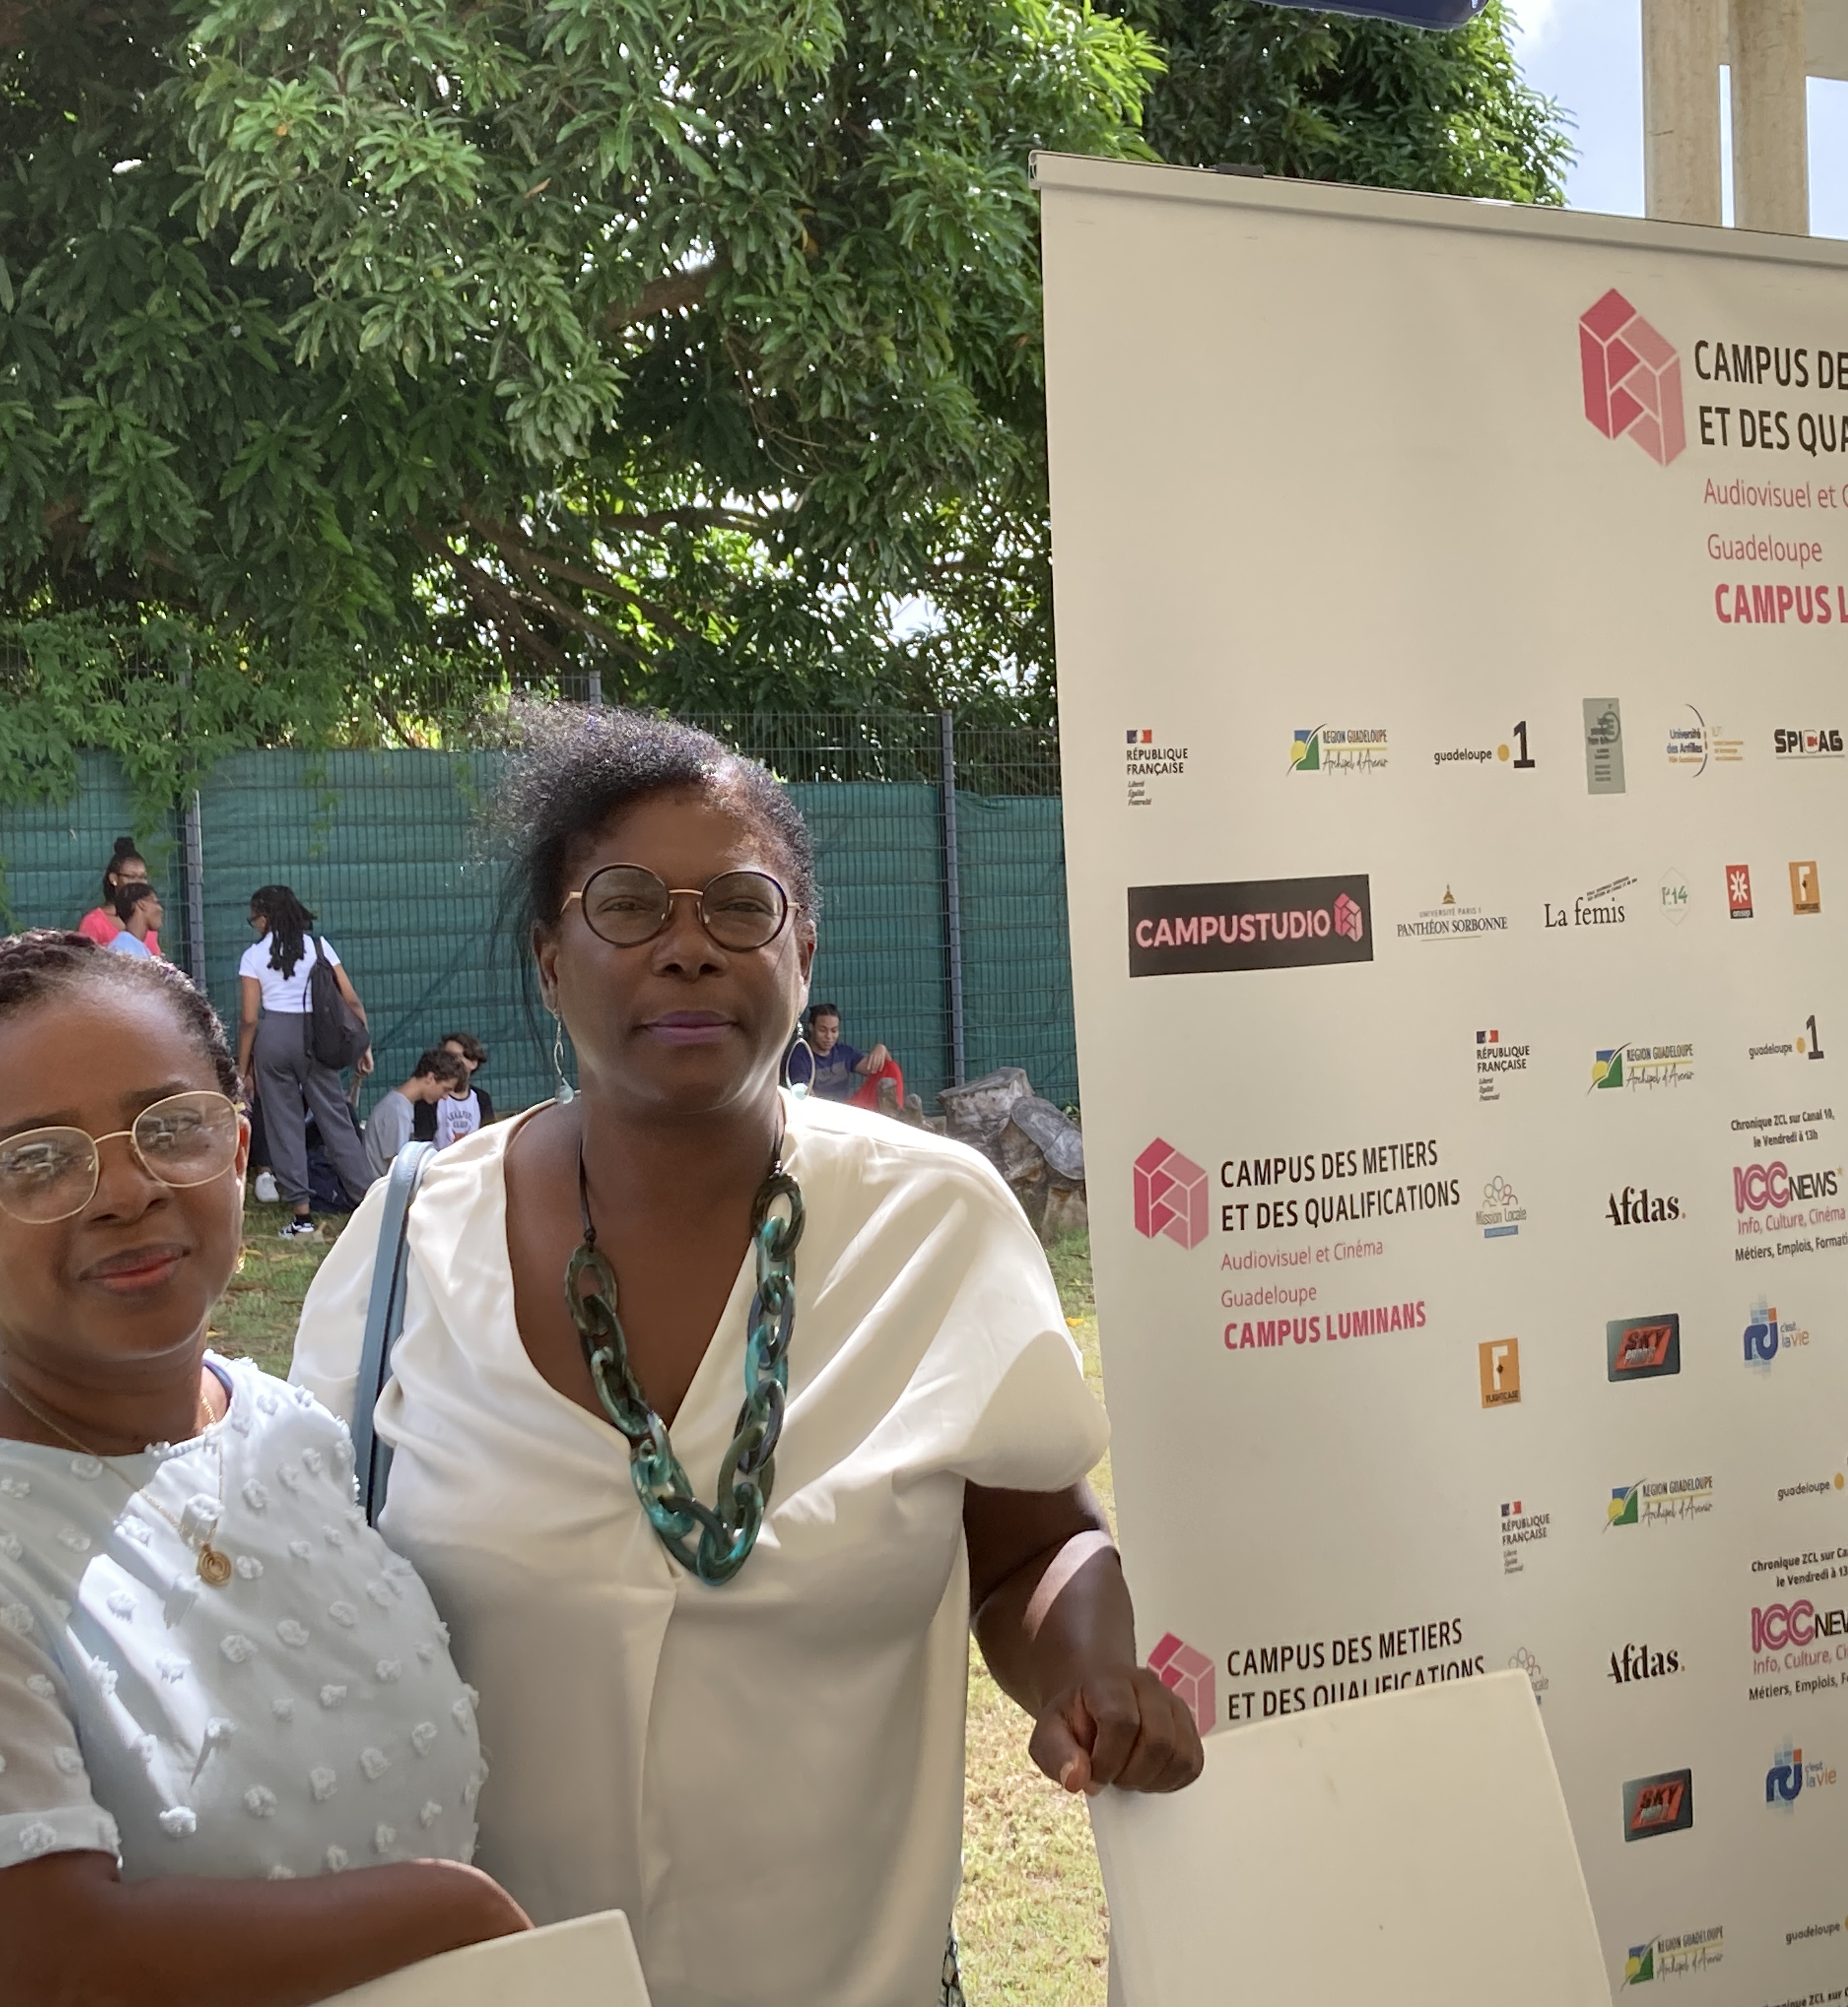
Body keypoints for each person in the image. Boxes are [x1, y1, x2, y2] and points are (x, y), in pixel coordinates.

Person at [291, 708, 1201, 2007]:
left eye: (738, 905)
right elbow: (305, 1614)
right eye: (626, 907)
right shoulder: (409, 1246)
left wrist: (1089, 1666)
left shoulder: (932, 1223)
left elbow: (1035, 1545)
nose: (687, 946)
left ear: (802, 947)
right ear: (549, 960)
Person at [0, 932, 528, 2007]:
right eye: (40, 1160)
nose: (125, 1190)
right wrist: (450, 1916)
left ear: (235, 1148)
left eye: (171, 1129)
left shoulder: (288, 1435)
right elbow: (47, 1967)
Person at [232, 886, 373, 1239]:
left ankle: (302, 1218)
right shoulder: (319, 947)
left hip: (274, 1037)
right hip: (316, 1038)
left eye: (254, 918)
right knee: (336, 1119)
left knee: (284, 1124)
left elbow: (249, 1019)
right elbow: (350, 1000)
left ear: (265, 918)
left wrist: (243, 1068)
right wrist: (362, 1043)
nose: (254, 924)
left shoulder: (253, 956)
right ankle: (370, 1204)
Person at [783, 1002, 905, 1111]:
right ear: (811, 1027)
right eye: (823, 1030)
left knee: (891, 1067)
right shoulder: (801, 1056)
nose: (829, 1037)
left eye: (834, 1031)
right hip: (820, 1112)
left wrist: (882, 1049)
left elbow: (880, 1070)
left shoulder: (844, 1052)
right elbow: (803, 1094)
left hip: (848, 1109)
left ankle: (894, 1113)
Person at [368, 1049, 467, 1179]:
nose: (445, 1097)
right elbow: (400, 1169)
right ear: (430, 1078)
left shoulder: (402, 1106)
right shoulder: (397, 1110)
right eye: (445, 1089)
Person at [76, 838, 169, 963]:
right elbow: (85, 965)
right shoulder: (94, 922)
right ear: (114, 879)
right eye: (131, 877)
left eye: (143, 877)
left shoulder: (148, 921)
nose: (139, 883)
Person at [415, 1032, 495, 1149]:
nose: (451, 1062)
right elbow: (423, 1145)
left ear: (473, 1063)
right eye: (447, 1057)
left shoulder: (482, 1099)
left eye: (456, 1057)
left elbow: (489, 1142)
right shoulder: (432, 1098)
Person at [102, 881, 165, 958]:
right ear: (142, 904)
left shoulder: (132, 944)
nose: (160, 909)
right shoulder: (124, 947)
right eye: (155, 902)